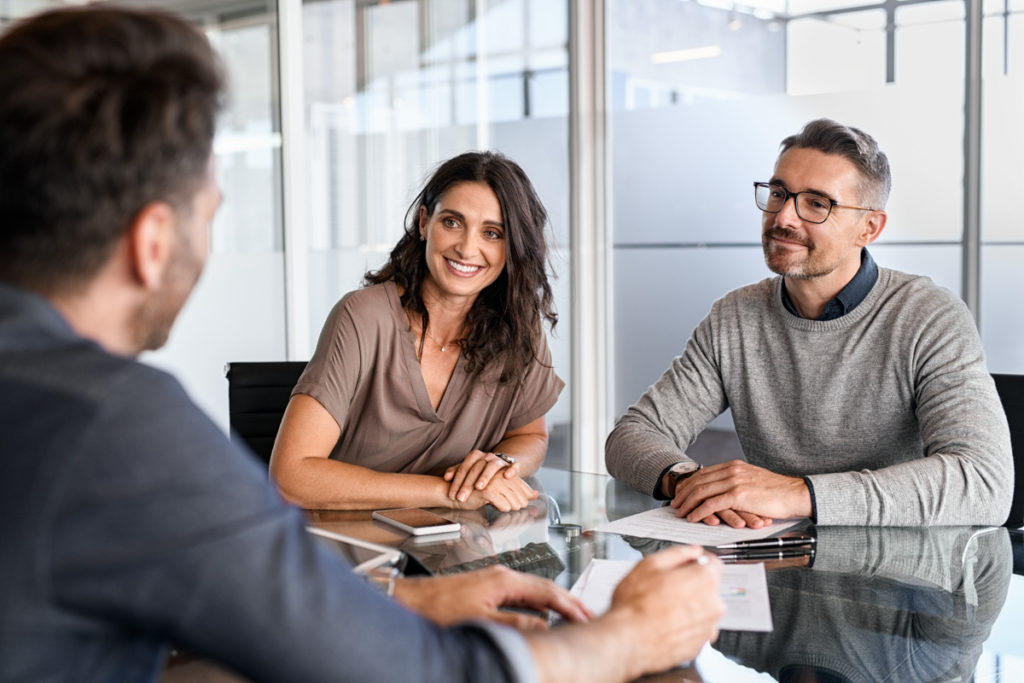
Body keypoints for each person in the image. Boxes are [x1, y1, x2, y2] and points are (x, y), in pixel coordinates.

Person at [0, 6, 725, 683]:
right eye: (212, 210)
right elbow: (416, 670)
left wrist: (403, 604)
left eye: (494, 232)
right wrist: (626, 634)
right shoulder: (117, 426)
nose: (469, 245)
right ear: (153, 242)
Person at [606, 118, 1013, 528]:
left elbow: (982, 483)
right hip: (771, 563)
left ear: (868, 228)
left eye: (817, 203)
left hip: (901, 576)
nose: (784, 217)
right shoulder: (734, 317)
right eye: (779, 193)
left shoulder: (928, 317)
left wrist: (796, 493)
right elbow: (632, 436)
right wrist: (691, 482)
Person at [270, 151, 563, 512]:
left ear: (512, 246)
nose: (467, 248)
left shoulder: (519, 326)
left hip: (453, 552)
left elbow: (529, 435)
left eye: (492, 233)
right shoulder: (363, 317)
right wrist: (447, 494)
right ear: (424, 222)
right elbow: (290, 477)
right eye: (452, 222)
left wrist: (501, 463)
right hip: (345, 550)